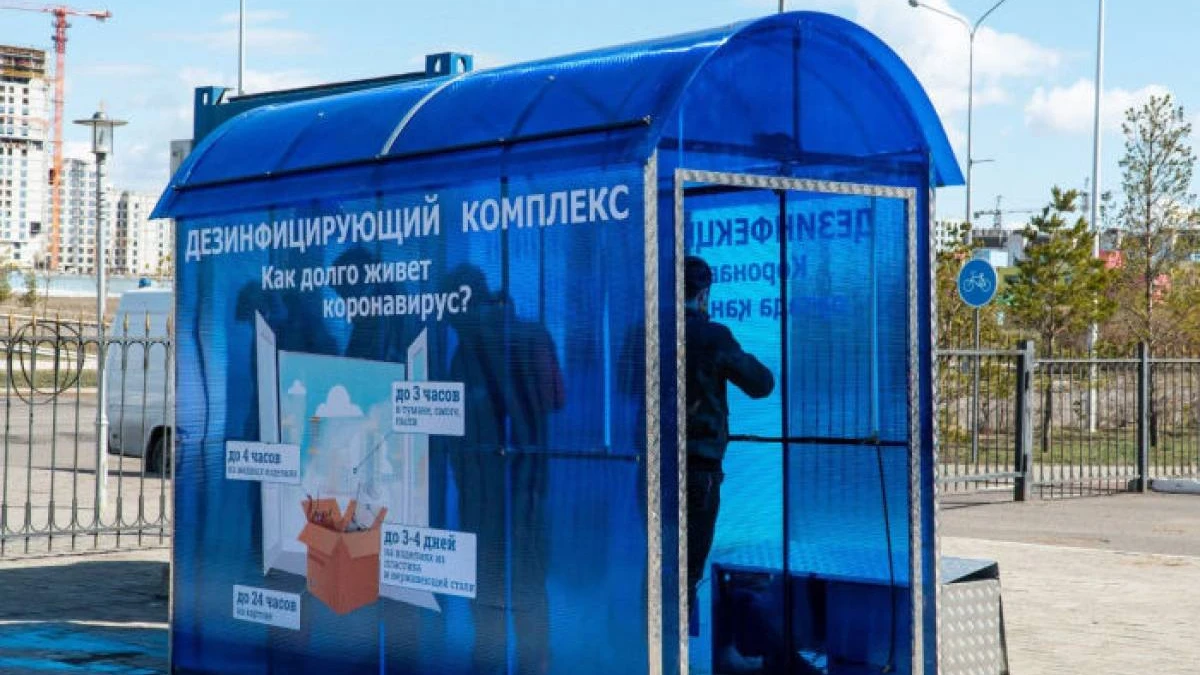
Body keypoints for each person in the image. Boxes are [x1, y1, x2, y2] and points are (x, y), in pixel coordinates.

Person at [440, 263, 565, 675]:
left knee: (486, 585)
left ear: (462, 300)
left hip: (482, 489)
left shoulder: (466, 349)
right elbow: (556, 399)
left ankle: (490, 664)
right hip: (529, 485)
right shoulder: (533, 334)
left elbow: (453, 427)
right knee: (528, 583)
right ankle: (534, 664)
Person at [683, 255, 775, 635]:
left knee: (656, 563)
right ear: (704, 294)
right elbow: (761, 384)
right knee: (687, 570)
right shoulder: (713, 337)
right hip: (698, 470)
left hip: (650, 469)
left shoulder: (646, 332)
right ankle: (675, 652)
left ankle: (649, 648)